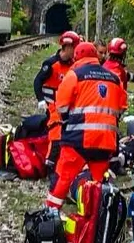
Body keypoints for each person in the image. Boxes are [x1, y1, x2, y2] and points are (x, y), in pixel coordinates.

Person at [44, 42, 127, 211]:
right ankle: (94, 218)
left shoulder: (74, 74)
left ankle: (50, 213)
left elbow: (61, 107)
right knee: (96, 183)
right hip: (105, 141)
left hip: (78, 139)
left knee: (64, 177)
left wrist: (70, 119)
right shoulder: (114, 78)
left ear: (77, 57)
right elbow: (121, 107)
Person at [35, 31, 82, 171]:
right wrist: (41, 100)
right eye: (74, 47)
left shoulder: (74, 65)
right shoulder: (51, 64)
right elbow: (38, 81)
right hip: (52, 106)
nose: (76, 51)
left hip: (68, 106)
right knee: (56, 133)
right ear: (67, 47)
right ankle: (50, 164)